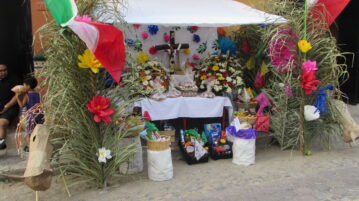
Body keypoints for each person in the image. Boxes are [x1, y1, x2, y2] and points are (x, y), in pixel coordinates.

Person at [16, 76, 42, 149]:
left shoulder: (27, 95)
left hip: (30, 116)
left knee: (29, 133)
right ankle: (37, 145)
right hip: (39, 115)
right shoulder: (38, 94)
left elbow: (21, 105)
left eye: (24, 85)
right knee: (37, 131)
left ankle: (30, 147)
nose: (23, 86)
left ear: (28, 86)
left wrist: (17, 97)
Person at [0, 64, 21, 150]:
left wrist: (7, 106)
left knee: (2, 123)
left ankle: (1, 146)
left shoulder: (13, 79)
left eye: (5, 70)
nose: (3, 72)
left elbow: (18, 94)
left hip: (10, 108)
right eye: (0, 71)